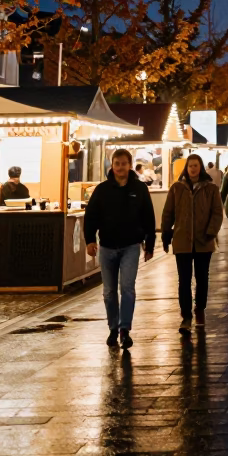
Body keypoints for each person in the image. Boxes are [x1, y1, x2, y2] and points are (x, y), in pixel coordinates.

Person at [84, 147, 155, 348]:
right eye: (117, 164)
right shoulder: (103, 190)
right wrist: (90, 240)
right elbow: (91, 216)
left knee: (127, 288)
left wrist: (149, 245)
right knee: (108, 291)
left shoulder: (139, 189)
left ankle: (125, 329)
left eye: (124, 163)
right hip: (106, 246)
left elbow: (148, 216)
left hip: (131, 246)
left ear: (130, 166)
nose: (120, 167)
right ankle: (113, 328)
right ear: (112, 165)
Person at [161, 153, 223, 335]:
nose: (193, 169)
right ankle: (186, 316)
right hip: (182, 241)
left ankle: (200, 309)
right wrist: (166, 234)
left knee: (202, 278)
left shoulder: (210, 189)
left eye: (196, 165)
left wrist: (210, 232)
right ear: (186, 168)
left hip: (204, 242)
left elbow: (217, 213)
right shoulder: (177, 188)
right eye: (190, 166)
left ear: (200, 167)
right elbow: (168, 213)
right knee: (184, 280)